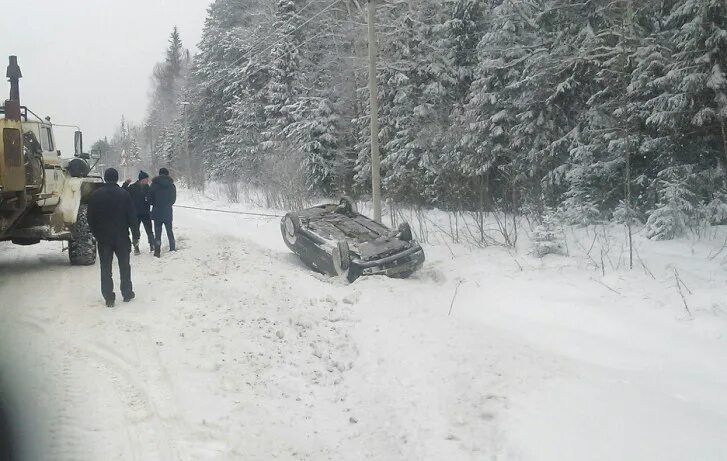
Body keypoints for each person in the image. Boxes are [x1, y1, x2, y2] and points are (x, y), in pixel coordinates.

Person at [87, 168, 140, 307]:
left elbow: (90, 218)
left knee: (105, 269)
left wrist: (96, 234)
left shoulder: (95, 195)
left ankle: (109, 297)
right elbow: (132, 217)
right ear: (116, 179)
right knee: (124, 266)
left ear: (105, 178)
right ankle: (127, 293)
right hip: (122, 237)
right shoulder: (124, 194)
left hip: (104, 239)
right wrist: (136, 235)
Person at [122, 170, 154, 254]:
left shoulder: (147, 187)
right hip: (135, 214)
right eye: (146, 179)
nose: (147, 180)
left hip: (146, 213)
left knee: (149, 230)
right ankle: (136, 247)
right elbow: (123, 192)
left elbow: (151, 197)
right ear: (141, 179)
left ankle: (152, 245)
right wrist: (126, 183)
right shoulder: (132, 187)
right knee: (135, 231)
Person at [149, 167, 176, 257]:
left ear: (159, 174)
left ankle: (157, 252)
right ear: (167, 174)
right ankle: (172, 248)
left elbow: (150, 199)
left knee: (157, 232)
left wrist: (156, 204)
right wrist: (167, 204)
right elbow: (173, 199)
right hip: (167, 211)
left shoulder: (153, 185)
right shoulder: (171, 185)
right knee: (169, 230)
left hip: (157, 211)